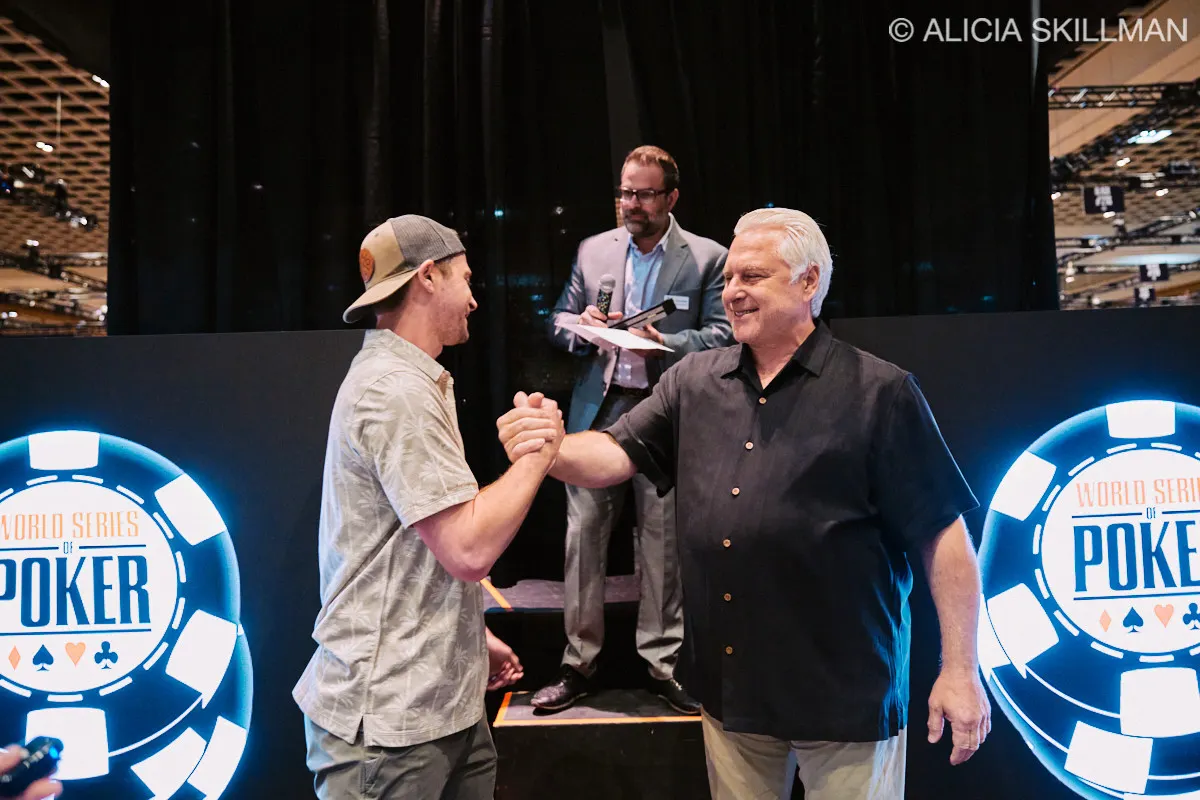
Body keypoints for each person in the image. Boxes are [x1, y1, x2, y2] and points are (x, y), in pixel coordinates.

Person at [499, 207, 991, 799]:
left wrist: (960, 669)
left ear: (809, 282)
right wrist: (549, 448)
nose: (732, 291)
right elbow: (612, 454)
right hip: (731, 692)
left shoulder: (880, 392)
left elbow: (943, 537)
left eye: (752, 277)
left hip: (845, 695)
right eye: (729, 277)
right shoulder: (692, 382)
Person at [294, 215, 561, 800]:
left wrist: (468, 637)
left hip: (436, 709)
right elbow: (467, 549)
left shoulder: (407, 380)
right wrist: (538, 454)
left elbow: (408, 545)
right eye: (466, 279)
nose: (473, 299)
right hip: (392, 723)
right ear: (429, 276)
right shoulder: (396, 390)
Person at [538, 145, 732, 714]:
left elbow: (723, 336)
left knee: (662, 542)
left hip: (663, 412)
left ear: (671, 198)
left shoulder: (706, 258)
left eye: (645, 194)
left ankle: (663, 664)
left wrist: (663, 343)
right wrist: (582, 327)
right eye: (626, 192)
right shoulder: (594, 250)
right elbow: (558, 320)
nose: (632, 204)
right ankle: (578, 664)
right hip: (599, 413)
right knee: (582, 538)